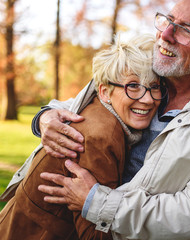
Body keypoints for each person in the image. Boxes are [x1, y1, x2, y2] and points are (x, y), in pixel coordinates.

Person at [2, 0, 190, 239]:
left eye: (185, 31)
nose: (165, 35)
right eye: (168, 21)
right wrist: (44, 118)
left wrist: (95, 201)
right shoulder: (144, 64)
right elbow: (80, 103)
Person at [0, 34, 164, 239]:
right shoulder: (100, 138)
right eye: (133, 85)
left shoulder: (104, 112)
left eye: (155, 87)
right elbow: (94, 234)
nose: (147, 99)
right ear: (104, 92)